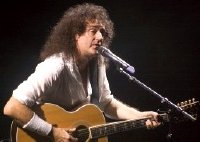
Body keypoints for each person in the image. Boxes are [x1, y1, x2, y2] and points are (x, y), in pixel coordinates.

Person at [4, 3, 160, 142]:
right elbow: (12, 107)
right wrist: (52, 132)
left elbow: (105, 103)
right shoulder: (56, 65)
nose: (100, 37)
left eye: (102, 32)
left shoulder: (97, 64)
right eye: (93, 31)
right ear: (76, 35)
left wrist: (140, 116)